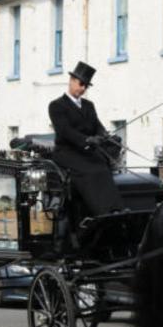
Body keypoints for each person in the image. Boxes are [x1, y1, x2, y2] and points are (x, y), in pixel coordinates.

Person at [48, 61, 124, 218]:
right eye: (81, 84)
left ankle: (114, 208)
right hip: (67, 151)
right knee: (90, 169)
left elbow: (97, 126)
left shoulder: (89, 105)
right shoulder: (57, 106)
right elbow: (65, 131)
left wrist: (106, 136)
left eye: (86, 86)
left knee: (102, 165)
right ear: (72, 80)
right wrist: (87, 140)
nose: (83, 88)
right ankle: (100, 211)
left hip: (85, 151)